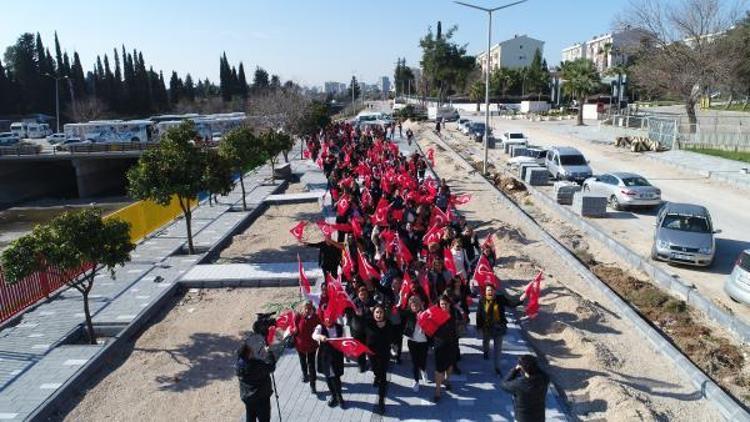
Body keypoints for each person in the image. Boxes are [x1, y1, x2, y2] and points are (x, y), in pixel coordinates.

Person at [476, 284, 525, 375]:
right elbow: (479, 314)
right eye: (488, 290)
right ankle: (486, 352)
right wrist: (479, 327)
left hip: (499, 327)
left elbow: (511, 304)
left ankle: (497, 367)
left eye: (491, 290)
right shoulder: (482, 300)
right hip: (486, 327)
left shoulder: (500, 299)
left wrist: (521, 299)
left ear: (495, 291)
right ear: (485, 292)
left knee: (497, 349)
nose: (490, 292)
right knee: (486, 341)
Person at [236, 334, 276, 422]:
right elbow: (271, 367)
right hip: (261, 398)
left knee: (250, 417)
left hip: (247, 397)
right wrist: (269, 353)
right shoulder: (256, 365)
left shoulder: (239, 363)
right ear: (248, 353)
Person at [500, 355, 550, 422]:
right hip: (539, 418)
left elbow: (503, 384)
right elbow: (542, 373)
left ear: (523, 369)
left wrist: (514, 370)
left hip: (522, 418)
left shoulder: (519, 384)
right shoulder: (544, 379)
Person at [313, 311, 346, 408]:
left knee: (336, 378)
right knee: (328, 377)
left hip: (336, 357)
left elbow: (344, 339)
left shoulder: (340, 327)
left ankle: (339, 396)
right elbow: (314, 335)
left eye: (331, 318)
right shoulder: (320, 327)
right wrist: (320, 337)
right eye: (327, 318)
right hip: (325, 357)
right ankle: (333, 395)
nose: (329, 320)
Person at [365, 304, 394, 414]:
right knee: (375, 370)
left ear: (384, 314)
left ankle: (381, 401)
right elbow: (358, 321)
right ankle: (377, 376)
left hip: (384, 355)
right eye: (377, 312)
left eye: (381, 312)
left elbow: (393, 337)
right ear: (373, 314)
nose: (378, 314)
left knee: (383, 377)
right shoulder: (369, 323)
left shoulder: (389, 324)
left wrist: (394, 346)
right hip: (372, 354)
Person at [433, 294, 458, 403]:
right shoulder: (435, 315)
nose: (444, 306)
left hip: (452, 344)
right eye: (442, 304)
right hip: (439, 345)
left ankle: (447, 380)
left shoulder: (453, 314)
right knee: (439, 369)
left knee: (450, 365)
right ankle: (437, 391)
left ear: (449, 304)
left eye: (446, 304)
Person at [403, 295, 429, 391]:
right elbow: (401, 311)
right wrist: (402, 297)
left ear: (420, 305)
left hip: (423, 341)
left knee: (422, 360)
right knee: (414, 362)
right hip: (412, 341)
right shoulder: (409, 314)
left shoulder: (425, 313)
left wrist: (422, 317)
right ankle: (416, 381)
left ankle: (423, 370)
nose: (414, 308)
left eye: (416, 305)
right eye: (412, 306)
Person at [294, 301, 320, 393]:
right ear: (303, 309)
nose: (308, 310)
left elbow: (320, 329)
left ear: (312, 309)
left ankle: (313, 385)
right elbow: (295, 328)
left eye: (309, 309)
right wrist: (293, 330)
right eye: (306, 308)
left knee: (311, 365)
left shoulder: (316, 318)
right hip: (300, 345)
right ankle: (305, 374)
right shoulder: (298, 317)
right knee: (302, 361)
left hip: (311, 346)